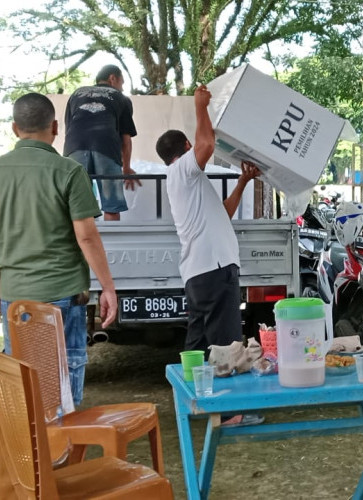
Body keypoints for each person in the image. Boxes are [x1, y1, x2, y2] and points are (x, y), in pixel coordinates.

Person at [0, 92, 118, 407]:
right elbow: (88, 238)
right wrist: (108, 287)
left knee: (23, 376)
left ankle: (32, 450)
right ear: (55, 127)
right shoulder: (68, 171)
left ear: (14, 129)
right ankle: (64, 448)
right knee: (63, 377)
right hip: (62, 293)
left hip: (13, 298)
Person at [156, 84, 261, 427]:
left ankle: (190, 406)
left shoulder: (187, 182)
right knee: (226, 343)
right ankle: (230, 415)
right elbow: (207, 144)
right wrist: (201, 107)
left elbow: (224, 213)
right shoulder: (184, 170)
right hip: (214, 272)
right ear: (185, 148)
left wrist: (243, 181)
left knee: (197, 347)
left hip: (199, 273)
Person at [64, 64, 141, 221]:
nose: (122, 87)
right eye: (122, 83)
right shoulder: (122, 98)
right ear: (113, 78)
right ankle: (112, 246)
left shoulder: (77, 93)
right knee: (111, 206)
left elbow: (69, 128)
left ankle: (80, 244)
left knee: (79, 208)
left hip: (74, 147)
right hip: (106, 148)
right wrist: (126, 168)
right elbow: (126, 139)